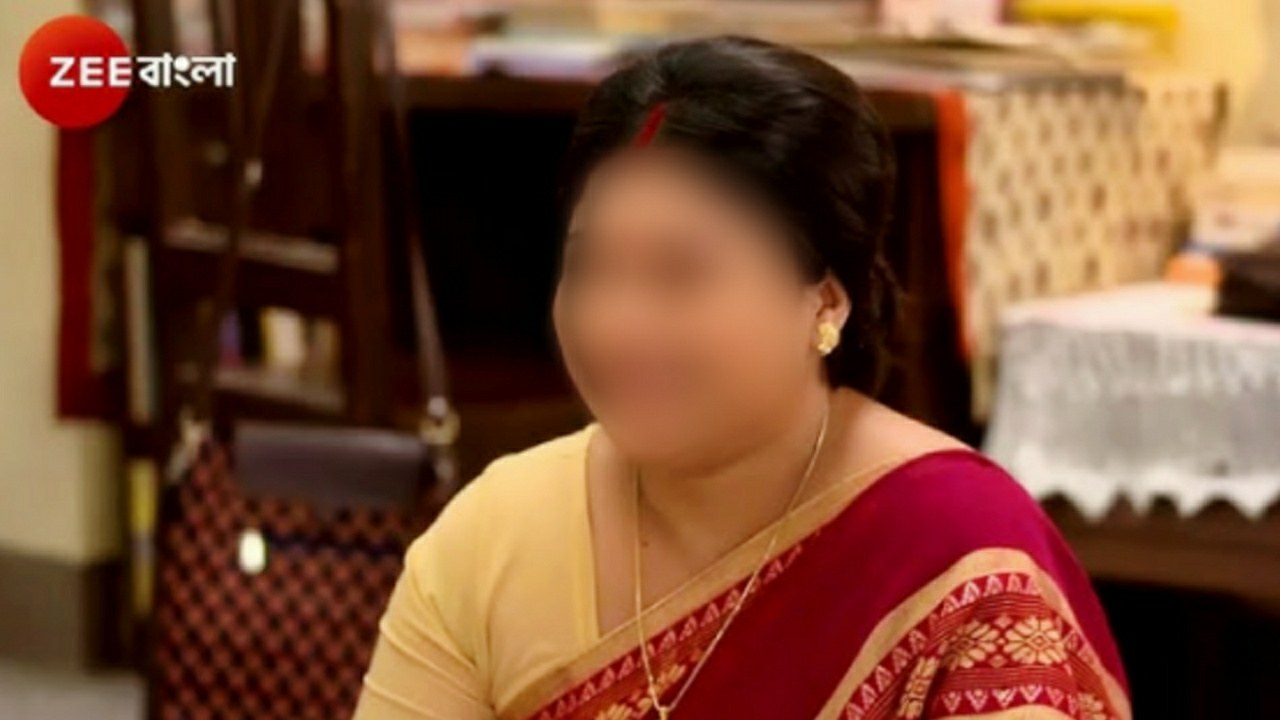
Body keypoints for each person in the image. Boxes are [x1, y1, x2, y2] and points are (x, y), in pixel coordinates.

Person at [353, 36, 1129, 720]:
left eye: (680, 273)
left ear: (824, 301)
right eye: (592, 267)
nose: (618, 323)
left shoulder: (959, 551)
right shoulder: (495, 534)